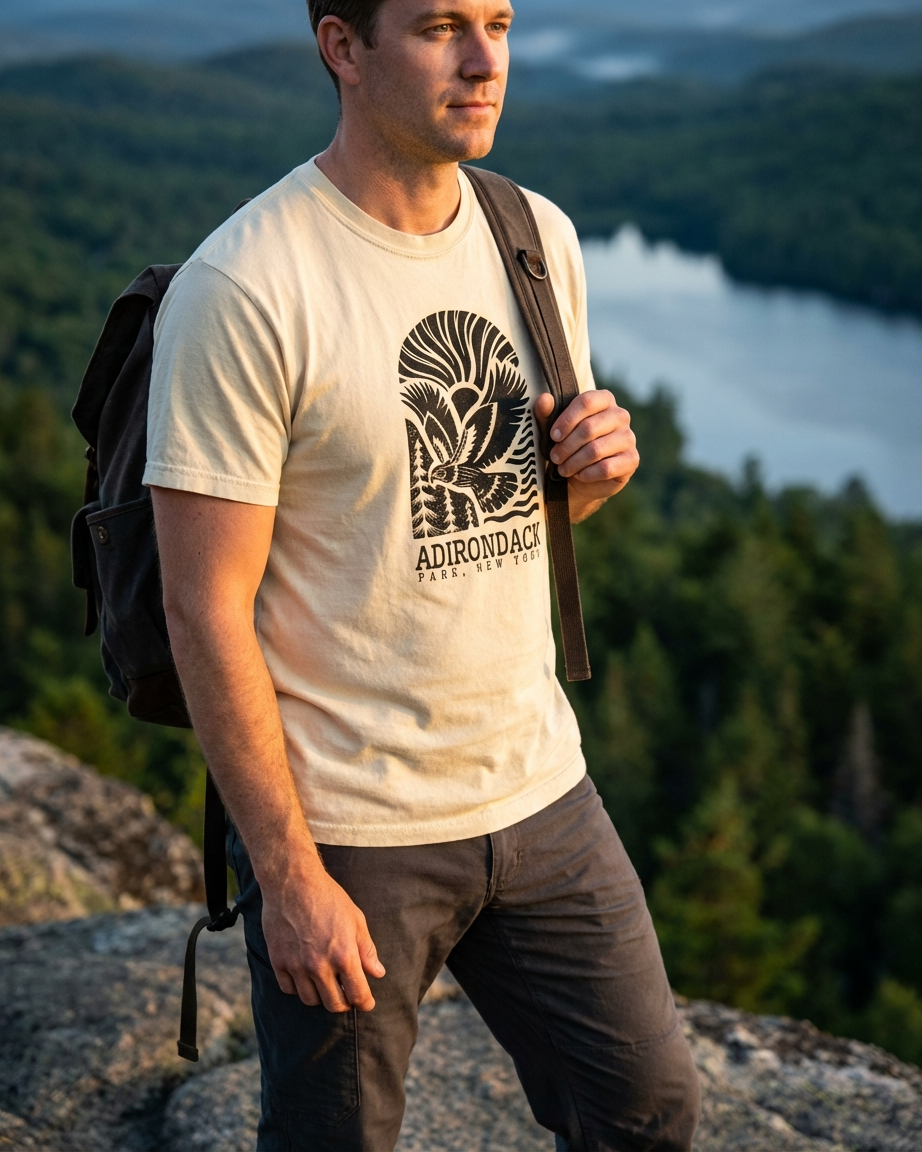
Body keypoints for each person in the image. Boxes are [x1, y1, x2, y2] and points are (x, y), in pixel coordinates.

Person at [146, 0, 701, 1147]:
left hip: (539, 787)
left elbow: (492, 517)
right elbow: (203, 610)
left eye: (498, 21)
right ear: (342, 48)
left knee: (647, 1111)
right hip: (352, 829)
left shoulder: (532, 235)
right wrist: (290, 877)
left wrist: (591, 474)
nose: (486, 60)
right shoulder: (247, 285)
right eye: (441, 26)